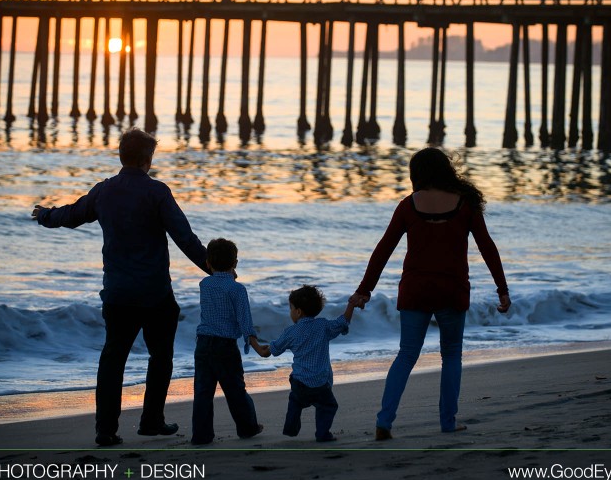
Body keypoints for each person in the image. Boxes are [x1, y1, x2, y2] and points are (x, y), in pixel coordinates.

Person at [32, 128, 209, 447]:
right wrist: (215, 269)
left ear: (121, 156)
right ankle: (151, 421)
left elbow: (72, 215)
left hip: (117, 293)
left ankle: (106, 430)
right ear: (147, 159)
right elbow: (184, 237)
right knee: (160, 356)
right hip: (155, 293)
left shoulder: (104, 191)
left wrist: (45, 215)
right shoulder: (157, 192)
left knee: (113, 359)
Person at [351, 147, 510, 441]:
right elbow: (487, 246)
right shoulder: (466, 204)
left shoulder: (408, 206)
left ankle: (384, 421)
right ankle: (448, 422)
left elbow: (383, 250)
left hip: (416, 291)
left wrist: (364, 290)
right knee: (451, 356)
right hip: (452, 289)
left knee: (406, 355)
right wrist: (502, 288)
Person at [255, 286, 357, 442]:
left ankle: (290, 429)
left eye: (291, 308)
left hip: (300, 382)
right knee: (327, 407)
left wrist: (259, 346)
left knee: (295, 402)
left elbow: (273, 350)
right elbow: (343, 322)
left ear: (298, 312)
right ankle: (322, 434)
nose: (290, 312)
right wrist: (351, 304)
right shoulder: (323, 326)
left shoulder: (291, 332)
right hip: (321, 383)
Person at [191, 238, 264, 445]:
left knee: (203, 392)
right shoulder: (237, 289)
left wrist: (227, 273)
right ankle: (247, 428)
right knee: (235, 391)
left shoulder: (204, 284)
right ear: (236, 263)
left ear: (207, 263)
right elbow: (244, 319)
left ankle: (201, 435)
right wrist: (255, 344)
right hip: (225, 347)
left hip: (203, 344)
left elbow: (217, 279)